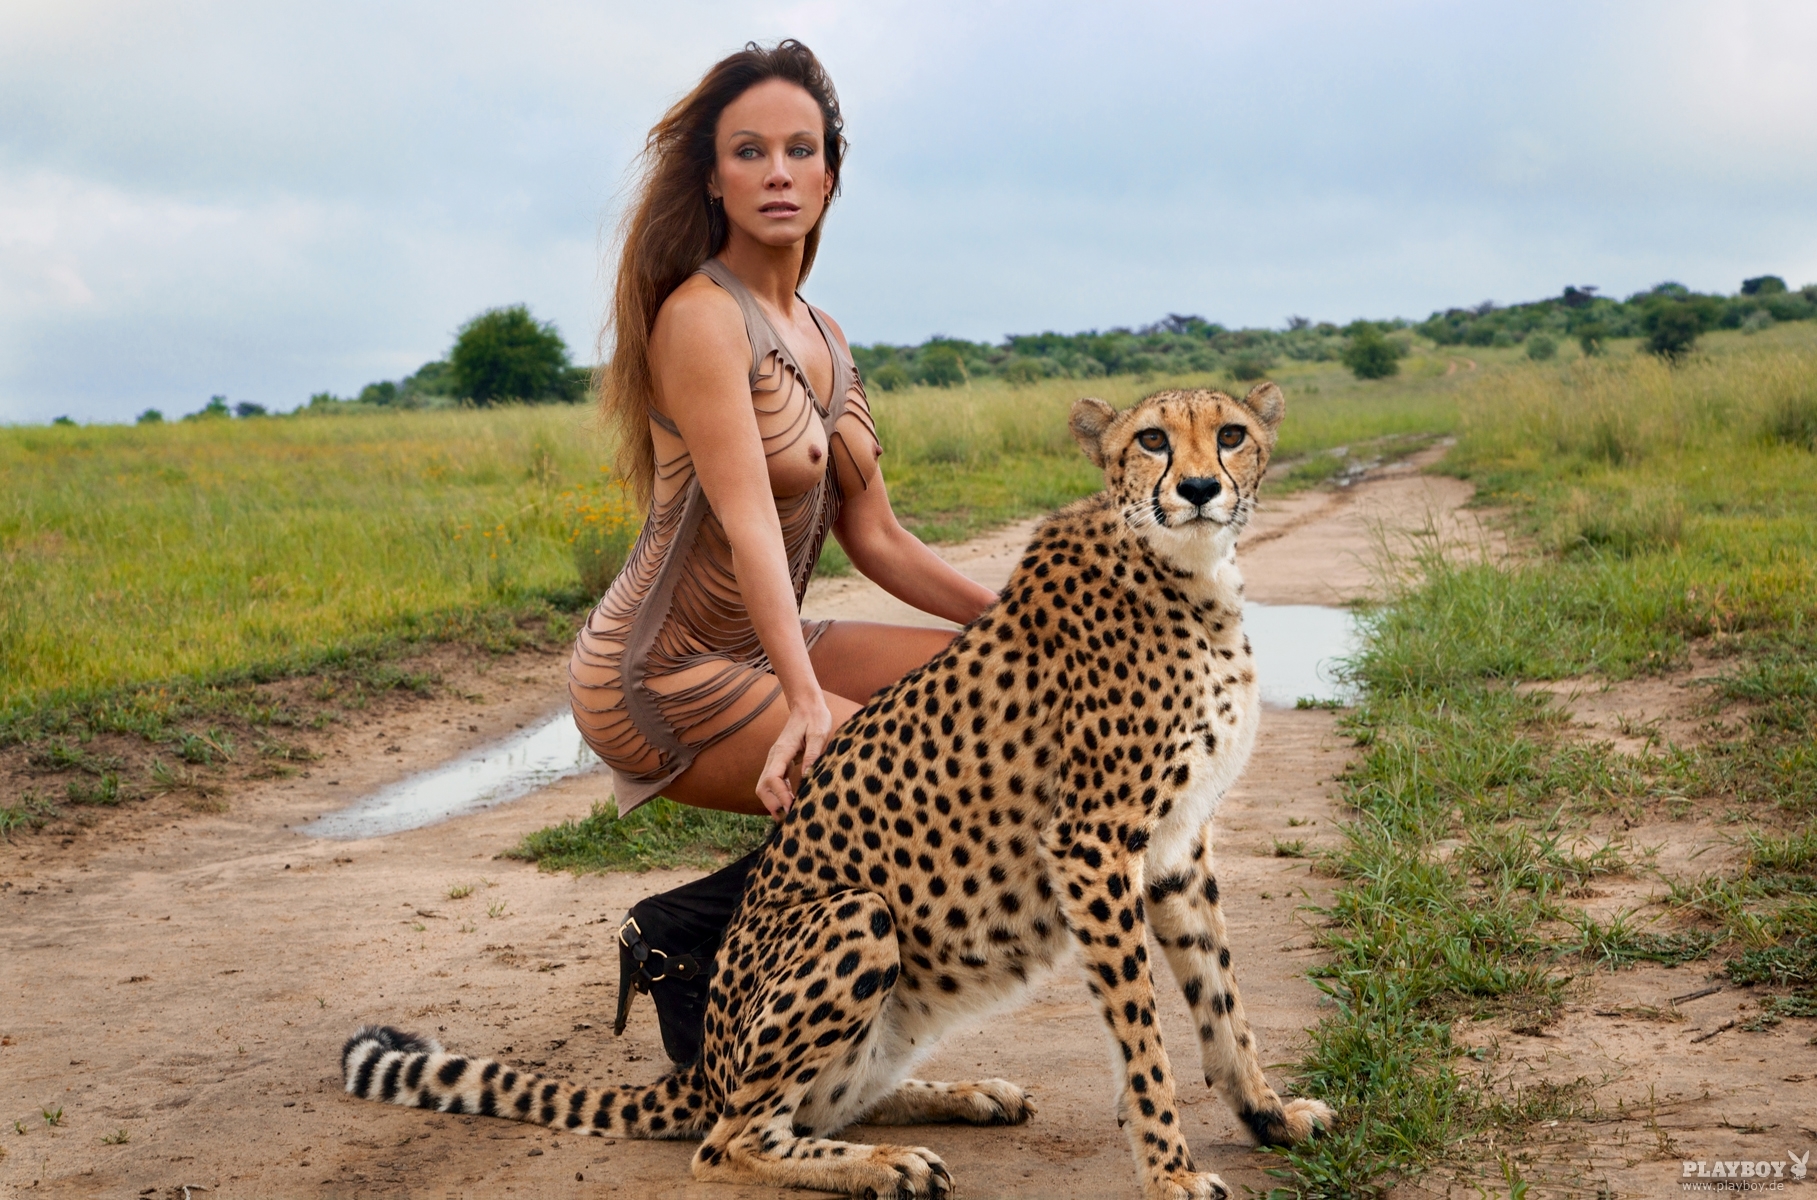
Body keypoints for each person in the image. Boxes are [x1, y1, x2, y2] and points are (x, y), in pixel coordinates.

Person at [568, 40, 998, 1065]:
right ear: (713, 178)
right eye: (748, 150)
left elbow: (875, 535)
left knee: (997, 696)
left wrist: (1028, 625)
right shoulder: (699, 320)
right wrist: (806, 701)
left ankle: (736, 957)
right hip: (659, 671)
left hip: (761, 645)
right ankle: (686, 941)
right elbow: (752, 521)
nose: (775, 172)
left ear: (828, 177)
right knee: (898, 789)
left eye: (798, 150)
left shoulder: (824, 333)